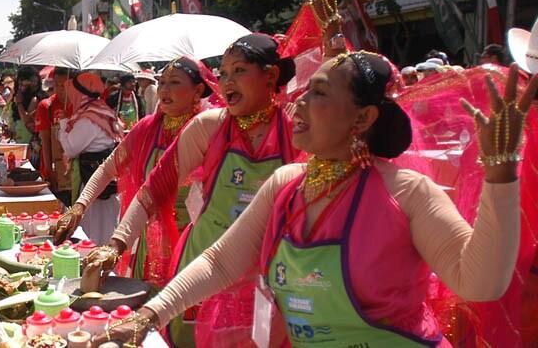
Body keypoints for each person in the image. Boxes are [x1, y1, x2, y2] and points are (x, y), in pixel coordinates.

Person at [98, 54, 536, 347]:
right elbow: (219, 262)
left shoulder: (406, 192)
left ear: (363, 118)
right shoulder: (287, 183)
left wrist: (500, 175)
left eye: (319, 93)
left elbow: (480, 283)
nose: (300, 102)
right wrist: (149, 315)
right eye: (305, 91)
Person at [87, 32, 303, 347]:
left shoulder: (296, 129)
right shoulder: (209, 127)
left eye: (239, 71)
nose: (228, 81)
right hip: (202, 268)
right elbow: (154, 190)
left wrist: (332, 39)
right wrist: (116, 245)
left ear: (270, 76)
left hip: (267, 278)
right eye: (224, 73)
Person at [52, 58, 214, 286]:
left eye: (174, 83)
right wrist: (78, 208)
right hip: (148, 241)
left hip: (194, 242)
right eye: (162, 82)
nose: (164, 90)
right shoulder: (147, 129)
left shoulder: (210, 132)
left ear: (198, 90)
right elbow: (107, 169)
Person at [57, 72, 123, 243]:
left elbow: (71, 149)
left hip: (93, 182)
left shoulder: (89, 119)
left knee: (93, 230)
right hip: (105, 181)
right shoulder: (103, 112)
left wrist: (63, 124)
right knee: (106, 225)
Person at [36, 67, 74, 205]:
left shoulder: (81, 106)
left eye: (64, 85)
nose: (59, 89)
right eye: (56, 84)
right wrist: (49, 170)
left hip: (76, 171)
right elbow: (45, 140)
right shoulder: (46, 106)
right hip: (55, 170)